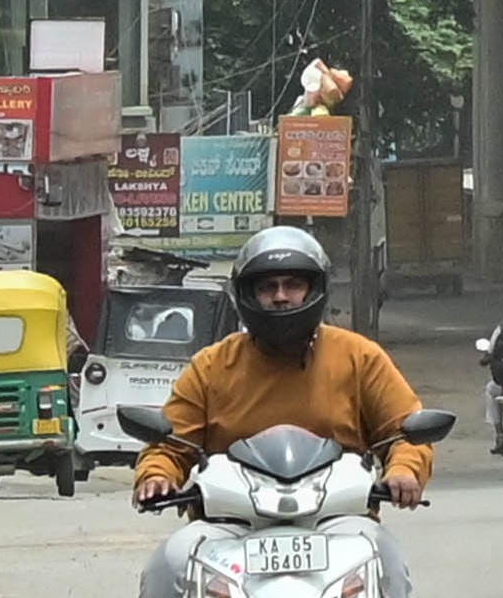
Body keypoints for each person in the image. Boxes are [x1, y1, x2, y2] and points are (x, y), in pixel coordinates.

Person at [130, 225, 434, 597]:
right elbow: (170, 443)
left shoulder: (359, 357)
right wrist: (156, 476)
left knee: (386, 564)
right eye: (267, 287)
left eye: (292, 285)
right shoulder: (211, 365)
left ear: (314, 290)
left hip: (337, 522)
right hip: (230, 524)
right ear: (247, 295)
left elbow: (404, 431)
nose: (280, 297)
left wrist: (404, 471)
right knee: (170, 562)